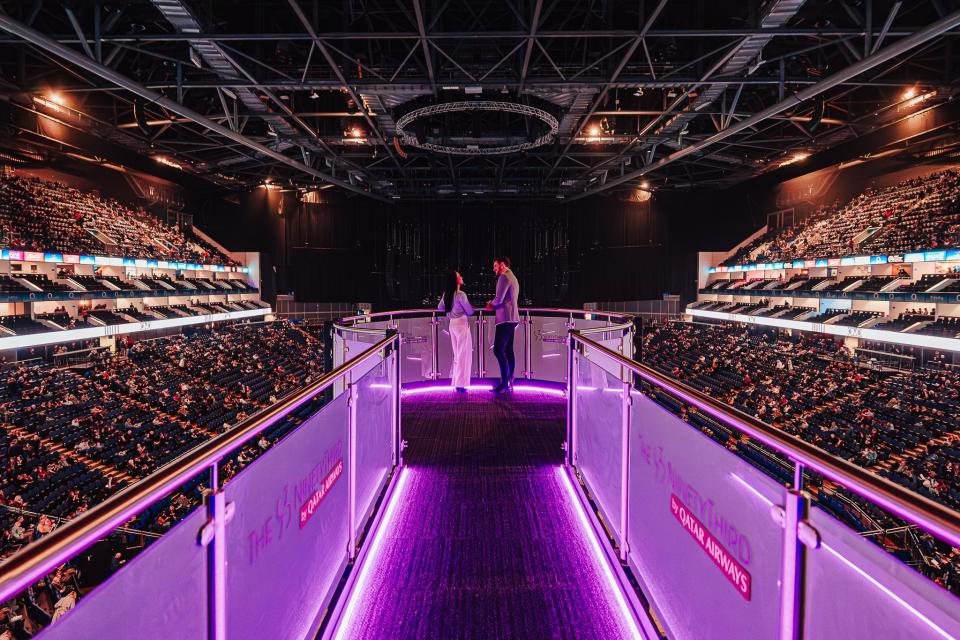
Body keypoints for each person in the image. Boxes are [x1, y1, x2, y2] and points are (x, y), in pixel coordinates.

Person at [486, 257, 520, 393]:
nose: (494, 268)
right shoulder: (513, 277)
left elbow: (499, 299)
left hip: (505, 319)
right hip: (512, 318)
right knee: (508, 350)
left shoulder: (503, 277)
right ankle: (509, 381)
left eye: (495, 265)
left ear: (502, 265)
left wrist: (490, 304)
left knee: (498, 350)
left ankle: (504, 383)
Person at [438, 271, 474, 392]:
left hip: (452, 324)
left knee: (457, 355)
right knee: (463, 355)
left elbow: (440, 307)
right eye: (459, 276)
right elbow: (470, 311)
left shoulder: (447, 294)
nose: (462, 277)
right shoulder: (461, 294)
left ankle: (455, 381)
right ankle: (460, 385)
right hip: (462, 324)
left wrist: (450, 311)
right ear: (456, 280)